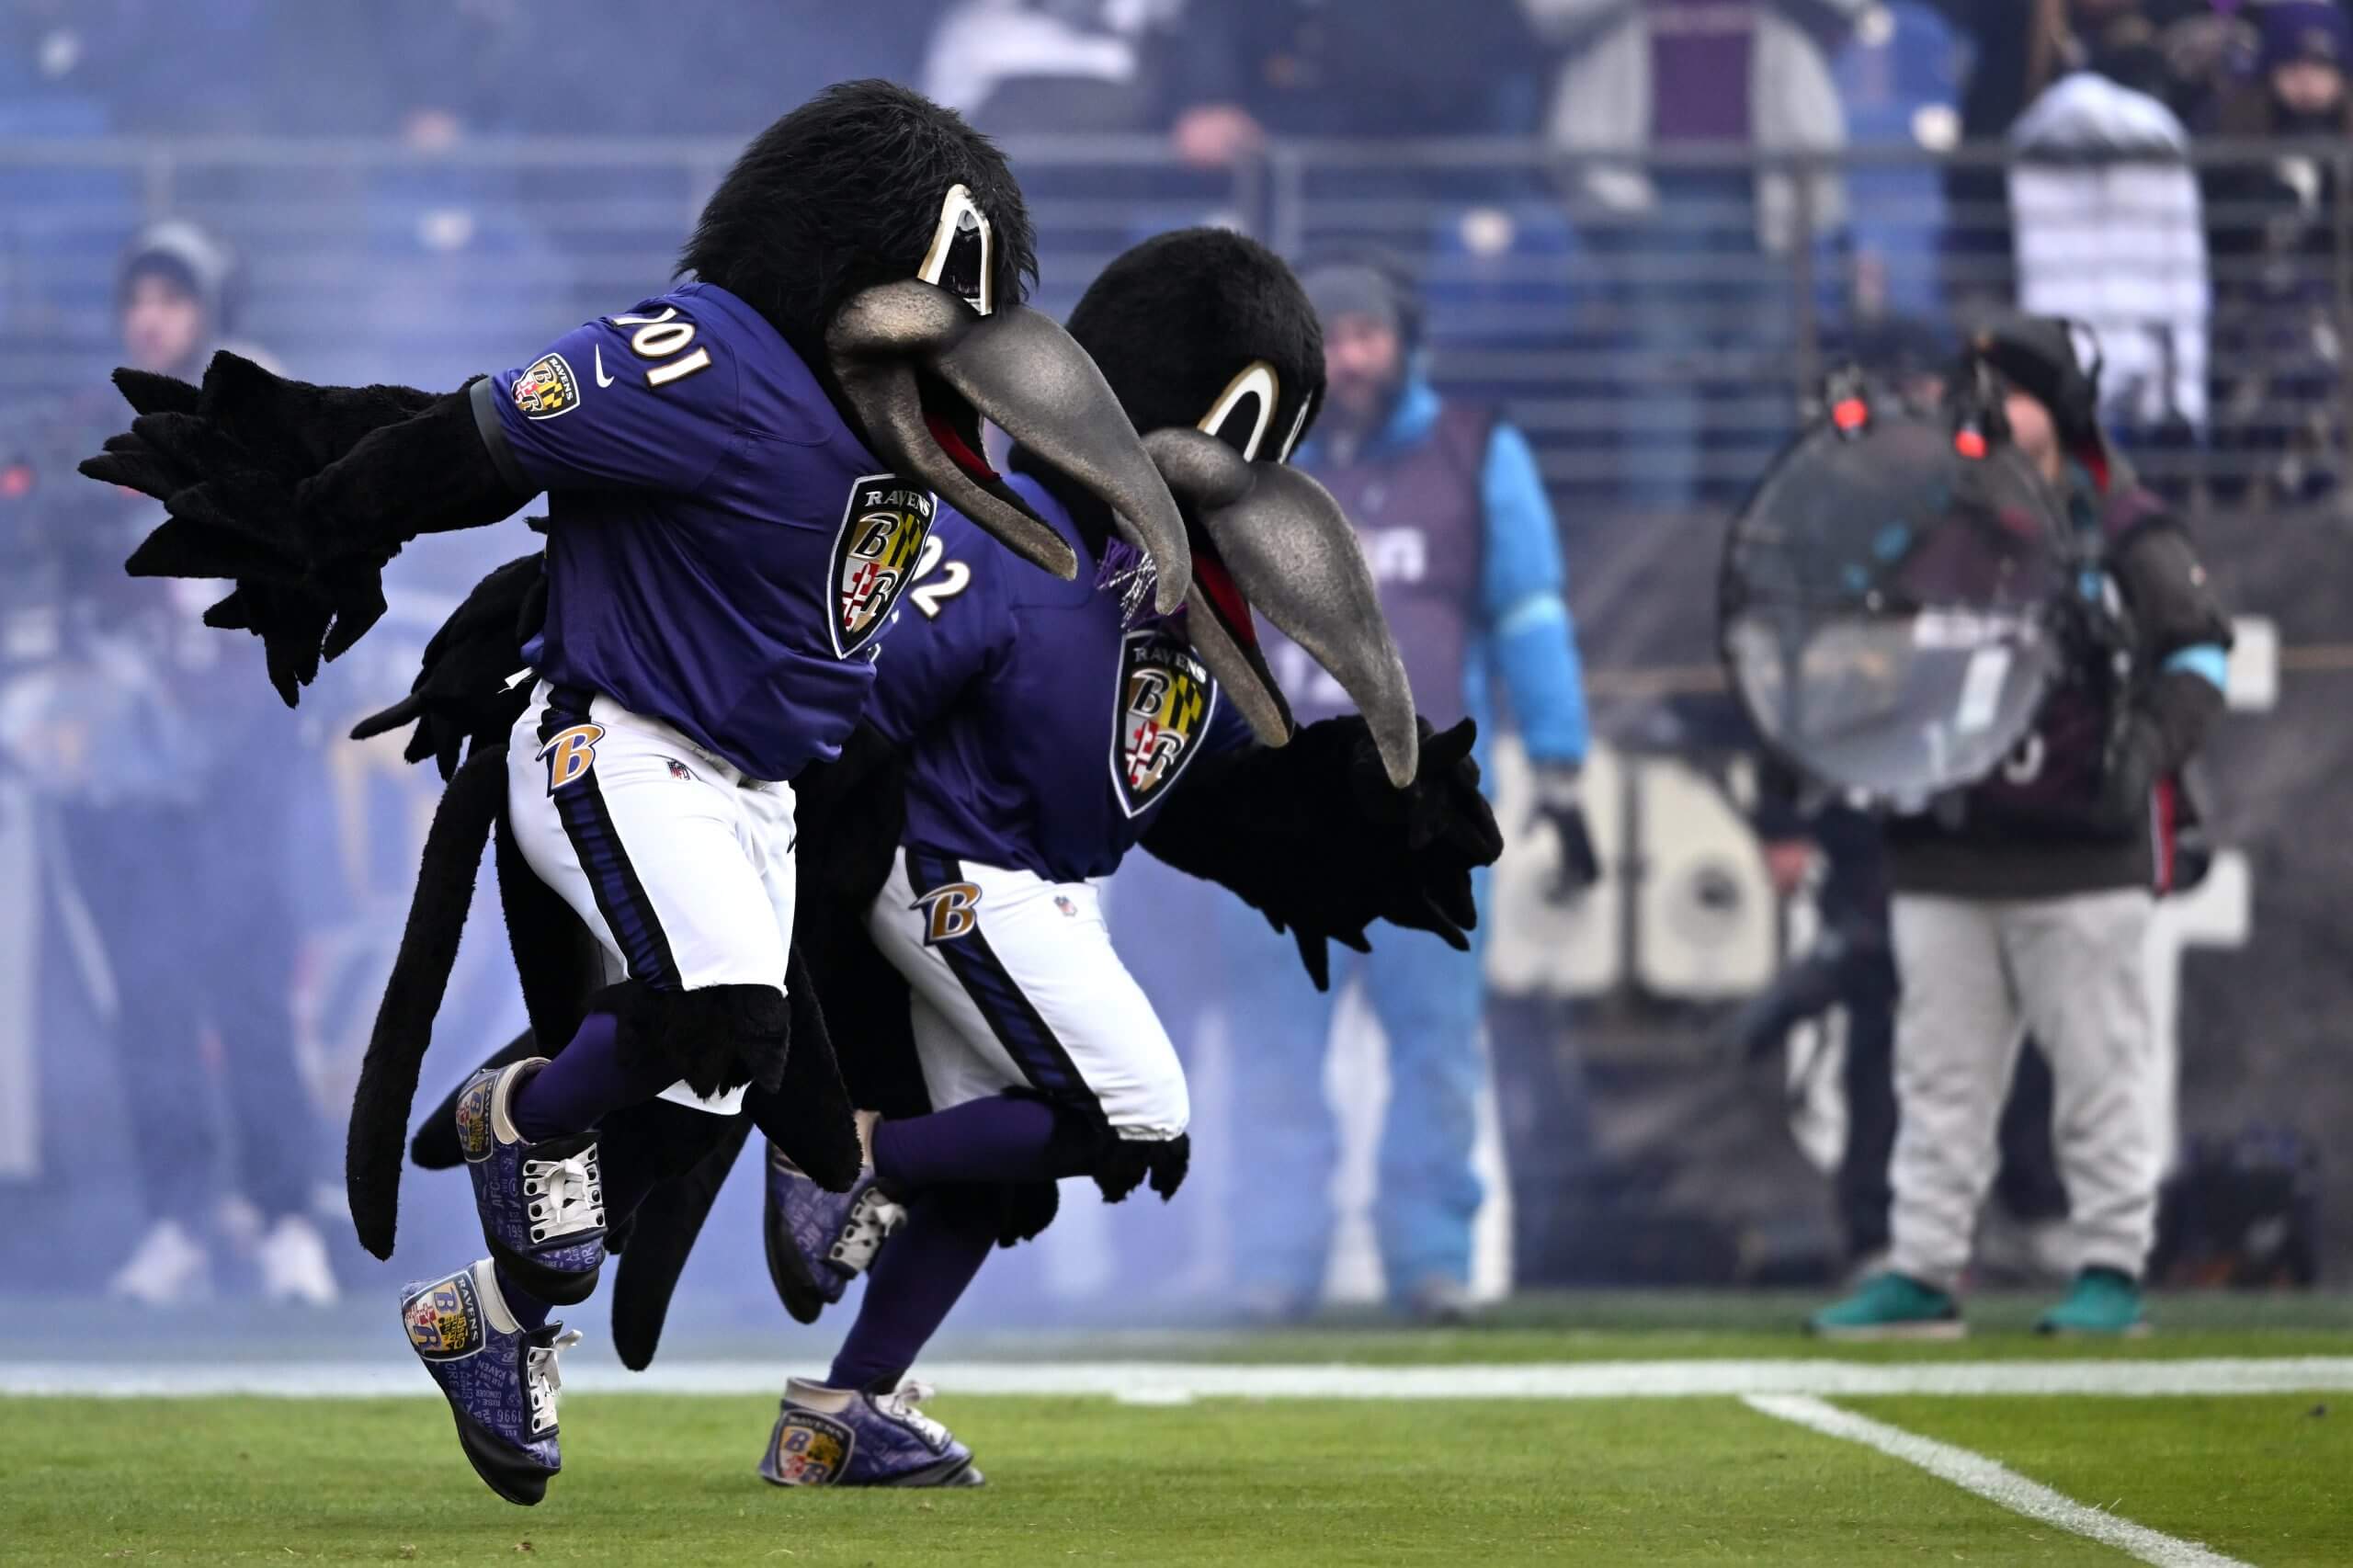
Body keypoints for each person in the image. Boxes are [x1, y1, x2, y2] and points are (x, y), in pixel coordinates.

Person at [85, 80, 1198, 1507]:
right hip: (621, 742)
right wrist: (326, 530)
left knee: (693, 1108)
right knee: (723, 1014)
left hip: (762, 797)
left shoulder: (918, 435)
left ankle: (492, 1315)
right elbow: (484, 438)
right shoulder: (701, 355)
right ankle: (520, 1110)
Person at [1810, 315, 2232, 1338]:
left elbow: (2198, 653)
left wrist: (2143, 756)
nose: (1991, 411)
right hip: (1944, 852)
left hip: (2083, 857)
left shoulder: (2126, 525)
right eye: (1980, 388)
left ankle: (2110, 1267)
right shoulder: (1923, 524)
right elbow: (1852, 649)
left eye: (2016, 392)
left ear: (2065, 408)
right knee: (1937, 1078)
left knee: (2098, 1070)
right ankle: (1922, 1269)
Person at [1217, 256, 1595, 1323]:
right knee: (1273, 1053)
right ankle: (1272, 1263)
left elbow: (1530, 614)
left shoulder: (1475, 451)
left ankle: (1429, 1259)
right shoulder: (1242, 460)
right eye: (1329, 338)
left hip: (1420, 818)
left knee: (1434, 1055)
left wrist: (1560, 764)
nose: (1351, 356)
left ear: (1403, 341)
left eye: (1367, 335)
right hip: (1276, 818)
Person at [5, 221, 336, 1308]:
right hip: (120, 763)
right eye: (138, 298)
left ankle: (285, 1217)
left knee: (246, 987)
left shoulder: (265, 415)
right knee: (149, 997)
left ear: (212, 308)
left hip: (242, 748)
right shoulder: (82, 426)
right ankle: (175, 1223)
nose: (151, 315)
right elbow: (34, 539)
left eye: (173, 298)